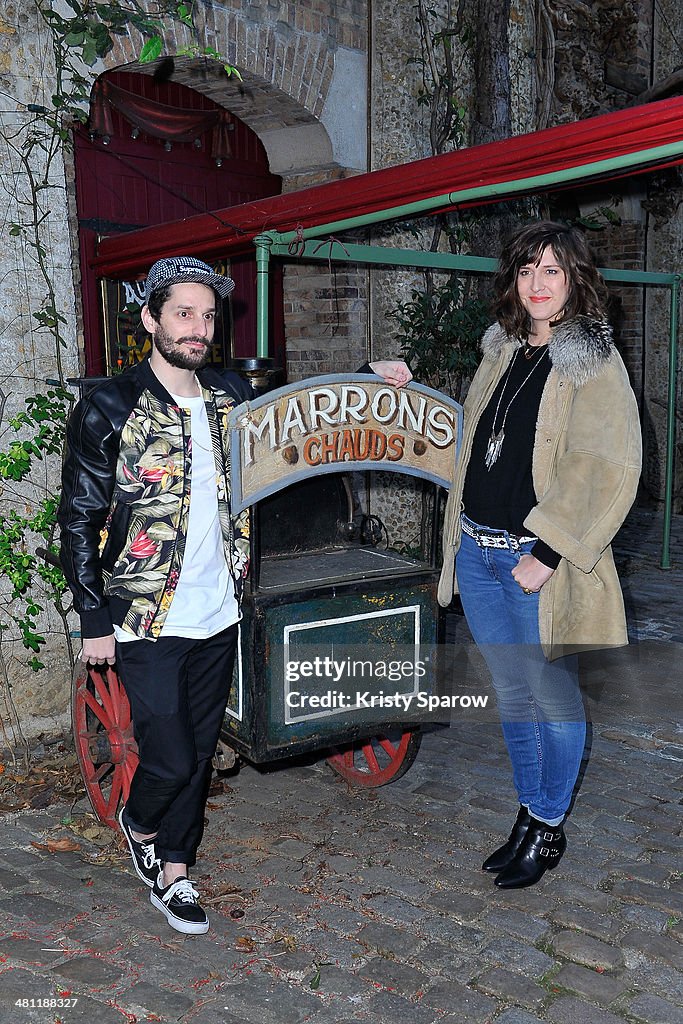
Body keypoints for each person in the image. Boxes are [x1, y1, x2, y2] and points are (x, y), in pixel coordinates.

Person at [58, 255, 412, 933]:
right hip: (144, 616)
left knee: (197, 750)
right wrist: (91, 614)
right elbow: (77, 516)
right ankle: (140, 822)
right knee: (170, 754)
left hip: (218, 611)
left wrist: (366, 378)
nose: (197, 327)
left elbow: (300, 417)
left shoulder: (228, 397)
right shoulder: (110, 406)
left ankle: (176, 871)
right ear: (151, 320)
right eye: (183, 313)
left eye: (207, 315)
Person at [437, 221, 641, 889]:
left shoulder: (591, 360)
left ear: (573, 279)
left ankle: (546, 825)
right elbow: (471, 439)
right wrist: (401, 386)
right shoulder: (500, 352)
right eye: (526, 270)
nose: (536, 283)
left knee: (550, 697)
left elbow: (602, 464)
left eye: (550, 270)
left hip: (532, 562)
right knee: (513, 693)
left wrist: (549, 550)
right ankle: (528, 814)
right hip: (477, 552)